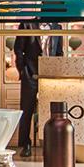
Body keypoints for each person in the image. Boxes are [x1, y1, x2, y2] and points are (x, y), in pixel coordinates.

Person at [11, 21, 61, 156]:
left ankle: (51, 143)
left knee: (51, 110)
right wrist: (23, 71)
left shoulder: (57, 27)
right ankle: (25, 144)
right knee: (27, 110)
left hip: (50, 75)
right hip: (30, 73)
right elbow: (18, 49)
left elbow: (58, 52)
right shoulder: (27, 25)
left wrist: (57, 72)